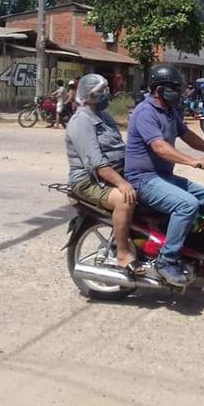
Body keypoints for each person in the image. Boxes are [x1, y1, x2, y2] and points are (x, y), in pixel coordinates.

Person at [125, 63, 204, 286]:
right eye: (174, 88)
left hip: (161, 177)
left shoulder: (169, 111)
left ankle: (174, 242)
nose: (179, 92)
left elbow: (187, 135)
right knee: (187, 205)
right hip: (143, 179)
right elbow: (159, 147)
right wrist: (193, 162)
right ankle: (166, 261)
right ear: (158, 89)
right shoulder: (145, 112)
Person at [65, 74, 142, 275]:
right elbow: (97, 164)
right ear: (88, 95)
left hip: (115, 172)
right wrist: (122, 184)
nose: (105, 94)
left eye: (106, 90)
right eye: (100, 92)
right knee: (125, 200)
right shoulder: (80, 121)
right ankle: (122, 254)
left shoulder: (104, 116)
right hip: (90, 180)